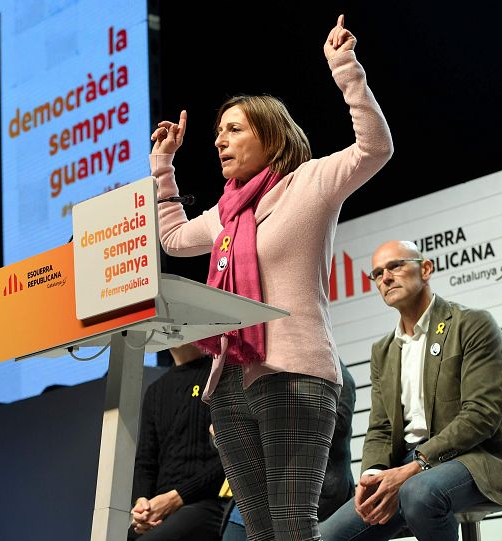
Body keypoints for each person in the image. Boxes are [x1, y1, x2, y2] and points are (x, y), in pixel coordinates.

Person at [150, 15, 393, 540]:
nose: (219, 141)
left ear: (270, 133)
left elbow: (375, 149)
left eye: (233, 129)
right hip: (230, 384)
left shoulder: (309, 183)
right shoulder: (225, 213)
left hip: (295, 375)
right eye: (217, 134)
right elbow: (171, 240)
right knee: (259, 532)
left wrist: (345, 69)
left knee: (290, 527)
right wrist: (164, 166)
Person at [319, 240, 502, 541]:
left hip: (477, 458)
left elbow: (481, 414)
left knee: (418, 492)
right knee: (326, 536)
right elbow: (381, 427)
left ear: (425, 269)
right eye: (377, 273)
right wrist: (372, 475)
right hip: (406, 468)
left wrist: (417, 466)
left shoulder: (473, 324)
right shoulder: (383, 351)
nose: (385, 277)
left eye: (395, 266)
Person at [221, 359, 357, 540]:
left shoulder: (332, 367)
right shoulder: (250, 369)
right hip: (252, 496)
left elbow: (336, 426)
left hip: (310, 492)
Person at [129, 343, 226, 540]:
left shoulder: (220, 374)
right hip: (162, 508)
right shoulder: (155, 391)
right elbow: (145, 463)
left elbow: (229, 455)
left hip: (208, 502)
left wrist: (176, 497)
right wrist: (142, 505)